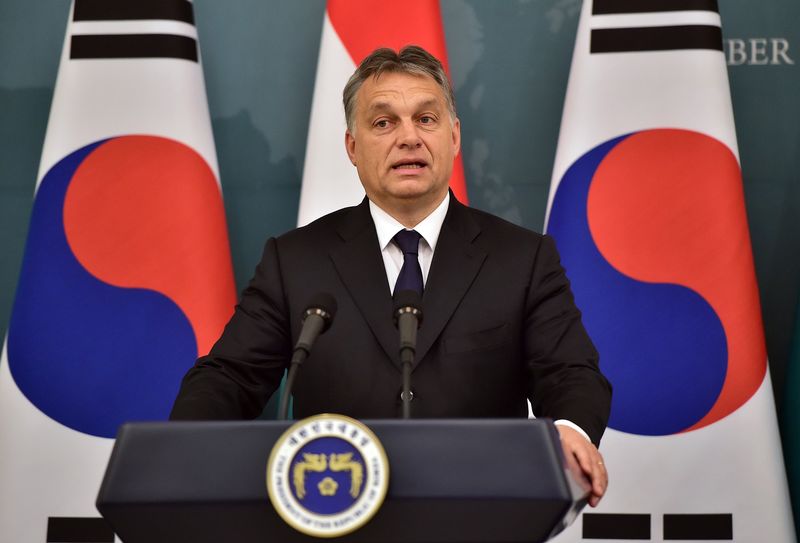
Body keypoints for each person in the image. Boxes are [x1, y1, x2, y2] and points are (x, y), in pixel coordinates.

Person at [170, 45, 611, 506]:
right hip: (335, 512)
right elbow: (230, 377)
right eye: (384, 123)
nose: (409, 138)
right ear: (353, 148)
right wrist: (182, 446)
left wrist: (570, 431)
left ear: (454, 137)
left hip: (482, 511)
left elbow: (570, 372)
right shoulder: (297, 259)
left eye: (426, 119)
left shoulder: (522, 258)